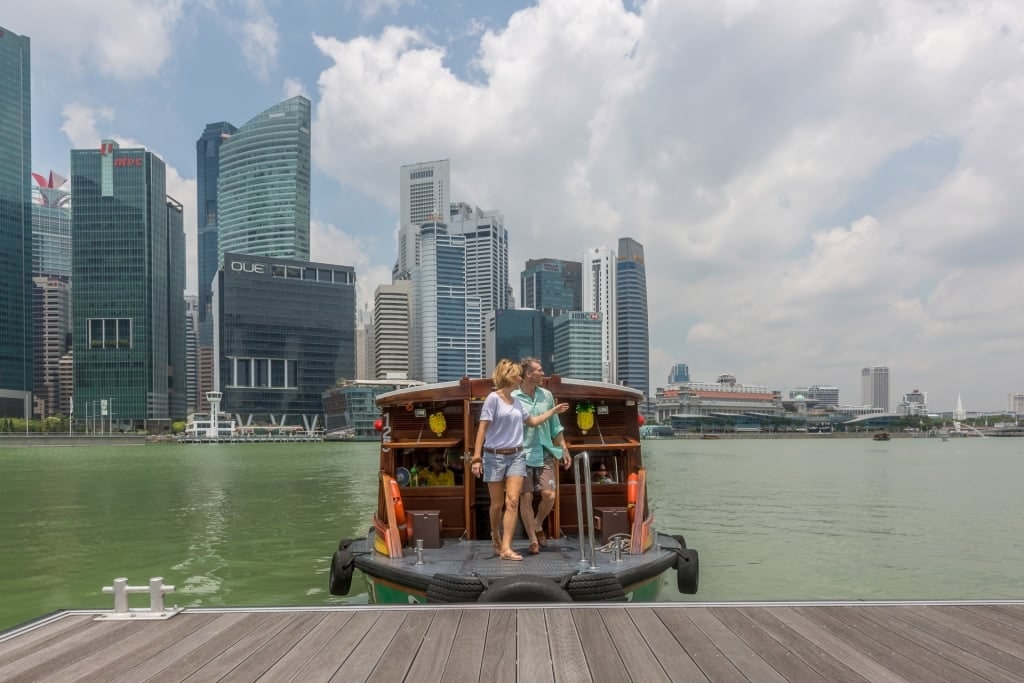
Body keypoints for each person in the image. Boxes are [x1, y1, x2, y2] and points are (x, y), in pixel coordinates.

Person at [471, 359, 569, 561]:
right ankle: (496, 535)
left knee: (513, 501)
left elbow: (532, 422)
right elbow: (482, 429)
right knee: (497, 504)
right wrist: (477, 458)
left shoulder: (518, 402)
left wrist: (553, 411)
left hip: (517, 456)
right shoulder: (493, 399)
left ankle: (506, 548)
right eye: (518, 375)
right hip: (494, 456)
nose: (521, 377)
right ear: (510, 377)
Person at [513, 357, 570, 555]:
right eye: (539, 370)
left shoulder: (547, 395)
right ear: (528, 373)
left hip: (544, 452)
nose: (543, 373)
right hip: (521, 454)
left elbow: (555, 426)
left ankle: (537, 524)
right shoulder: (514, 397)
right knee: (526, 497)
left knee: (549, 495)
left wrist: (564, 448)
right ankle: (532, 540)